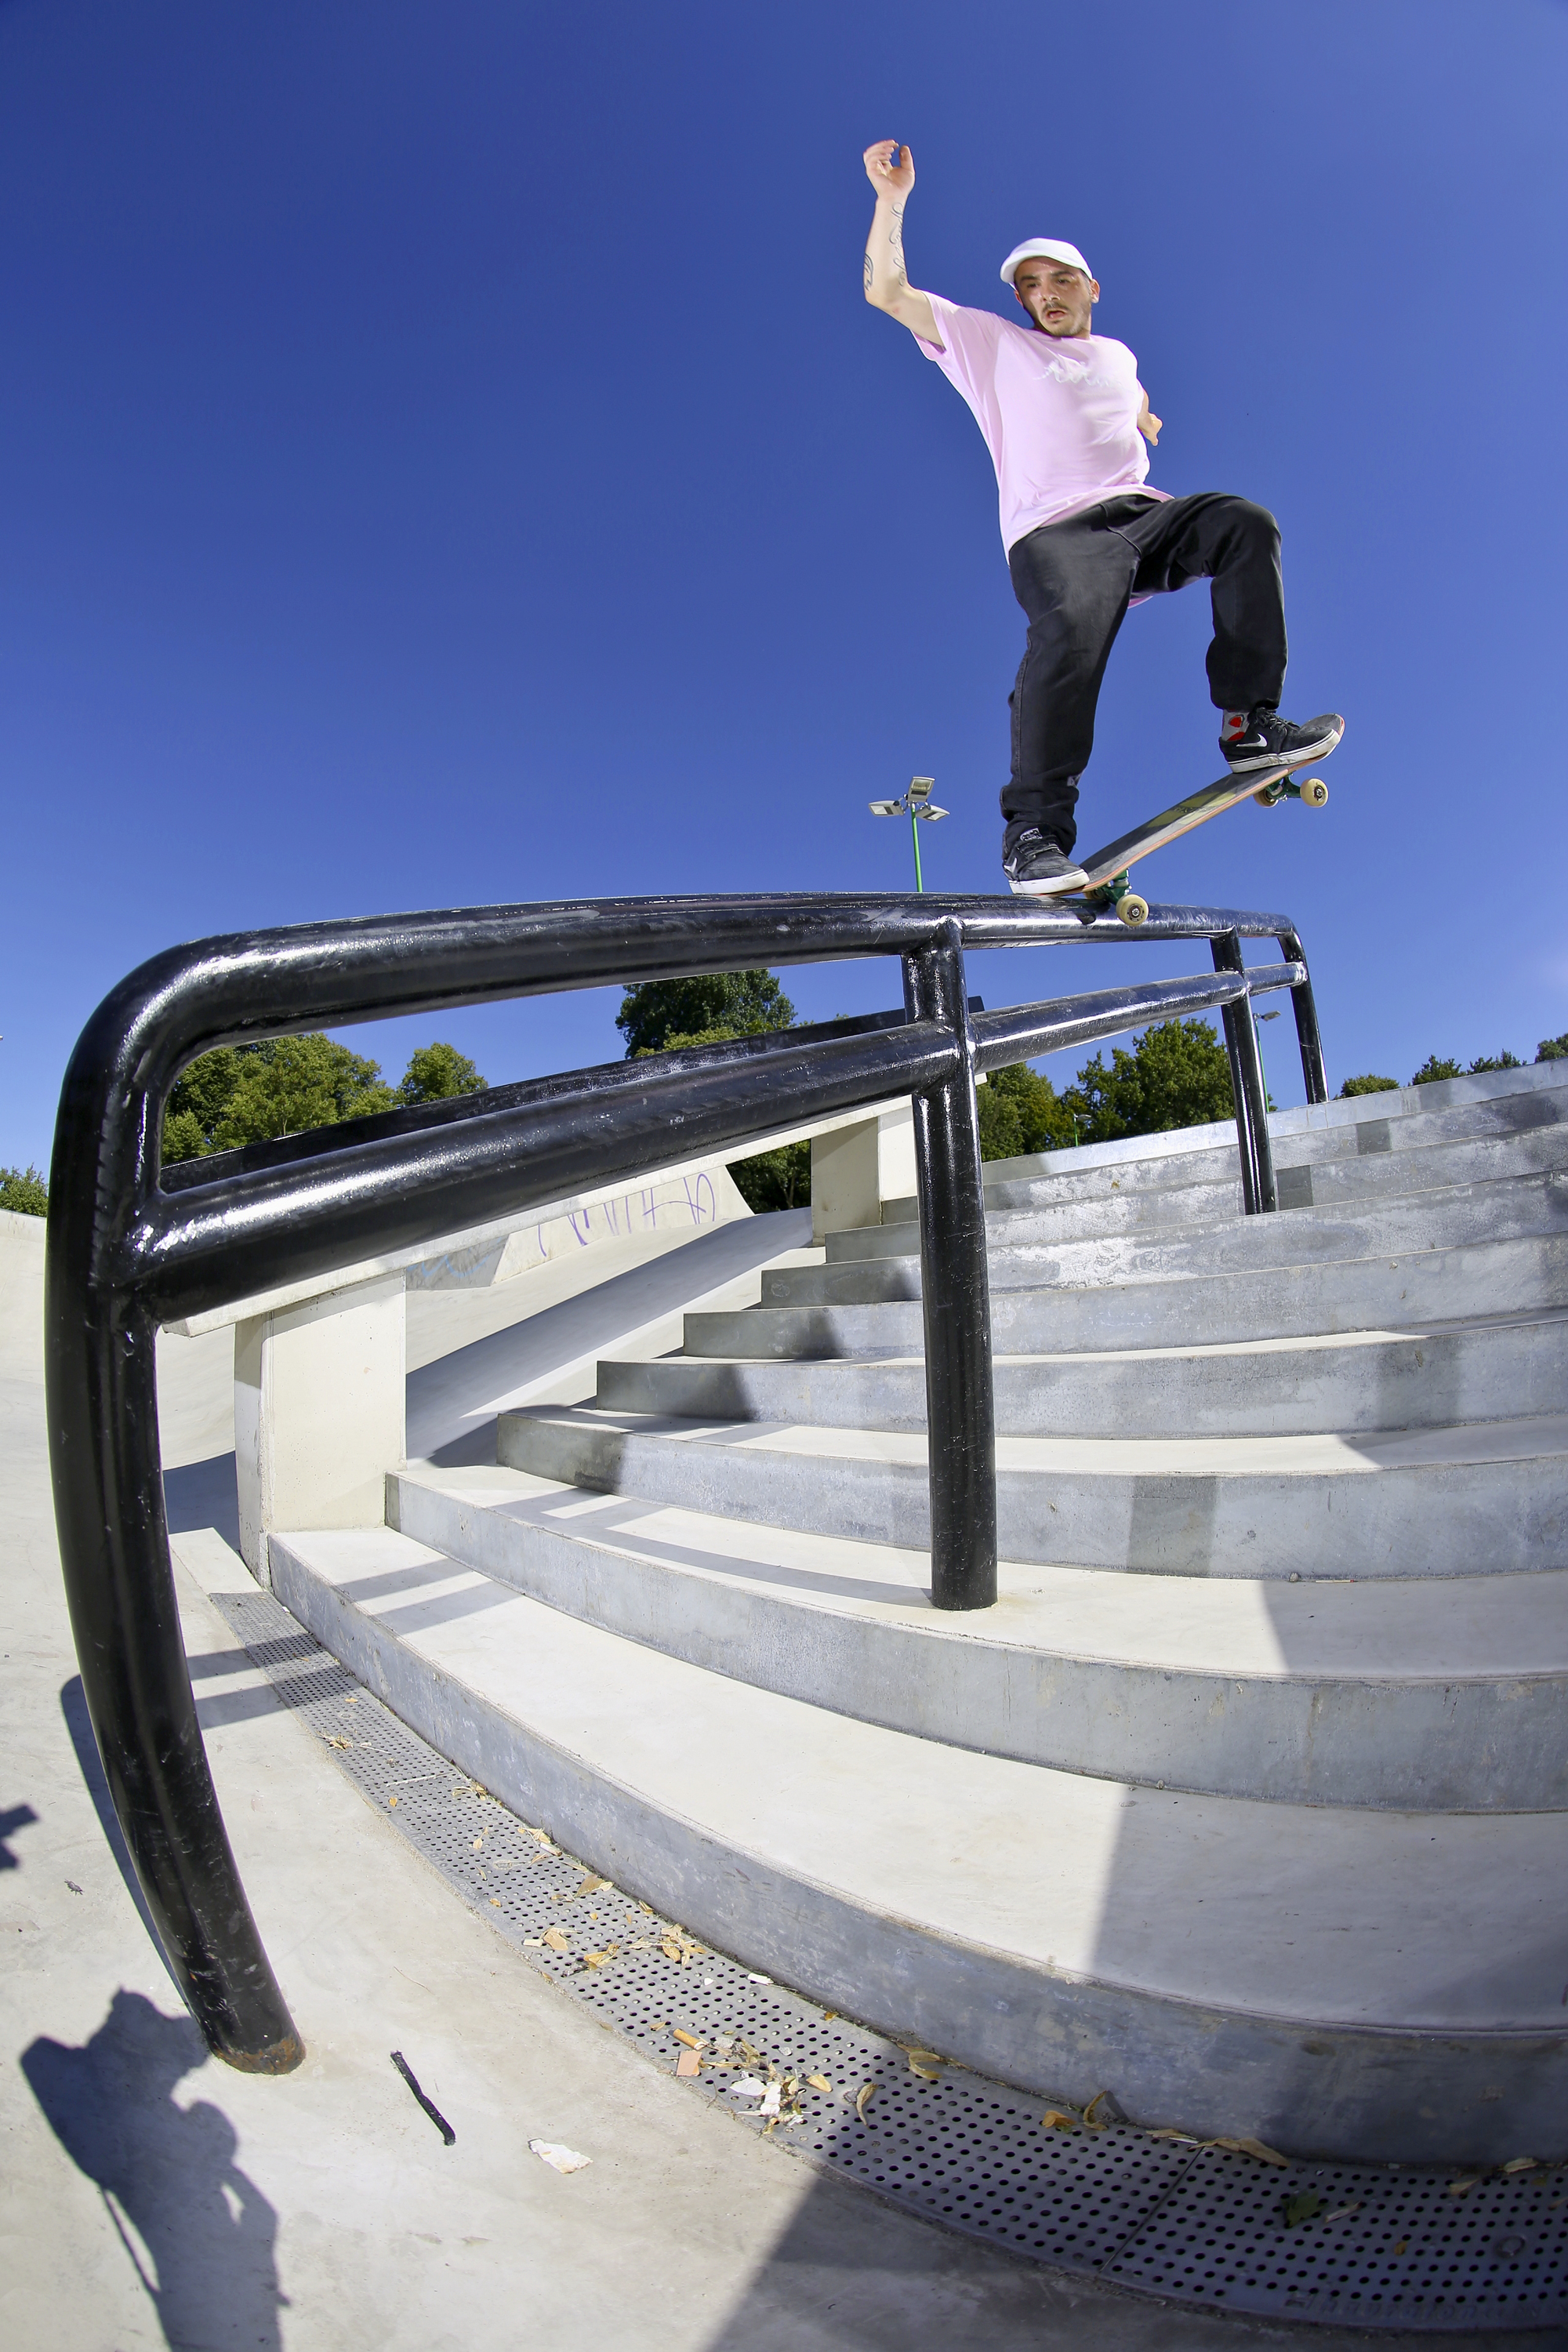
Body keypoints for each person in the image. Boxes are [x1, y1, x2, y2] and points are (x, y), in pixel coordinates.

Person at [861, 140, 1340, 896]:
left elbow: (1124, 400)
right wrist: (893, 199)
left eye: (1060, 281)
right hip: (1055, 531)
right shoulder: (990, 345)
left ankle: (1247, 722)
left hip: (1143, 519)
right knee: (1074, 629)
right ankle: (1036, 833)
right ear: (1019, 301)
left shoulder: (1119, 356)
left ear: (1090, 287)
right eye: (1031, 287)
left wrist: (1144, 420)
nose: (1045, 295)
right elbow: (888, 292)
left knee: (1245, 523)